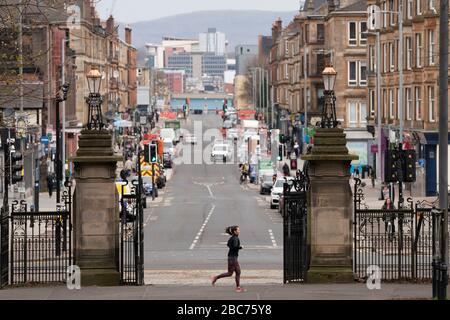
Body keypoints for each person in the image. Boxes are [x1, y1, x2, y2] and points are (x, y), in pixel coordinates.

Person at [211, 226, 245, 293]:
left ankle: (238, 287)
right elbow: (235, 247)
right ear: (235, 231)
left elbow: (228, 245)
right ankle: (216, 277)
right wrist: (240, 247)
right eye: (238, 230)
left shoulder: (232, 238)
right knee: (233, 273)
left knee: (235, 272)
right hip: (233, 258)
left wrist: (234, 247)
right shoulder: (235, 238)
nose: (239, 231)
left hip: (232, 257)